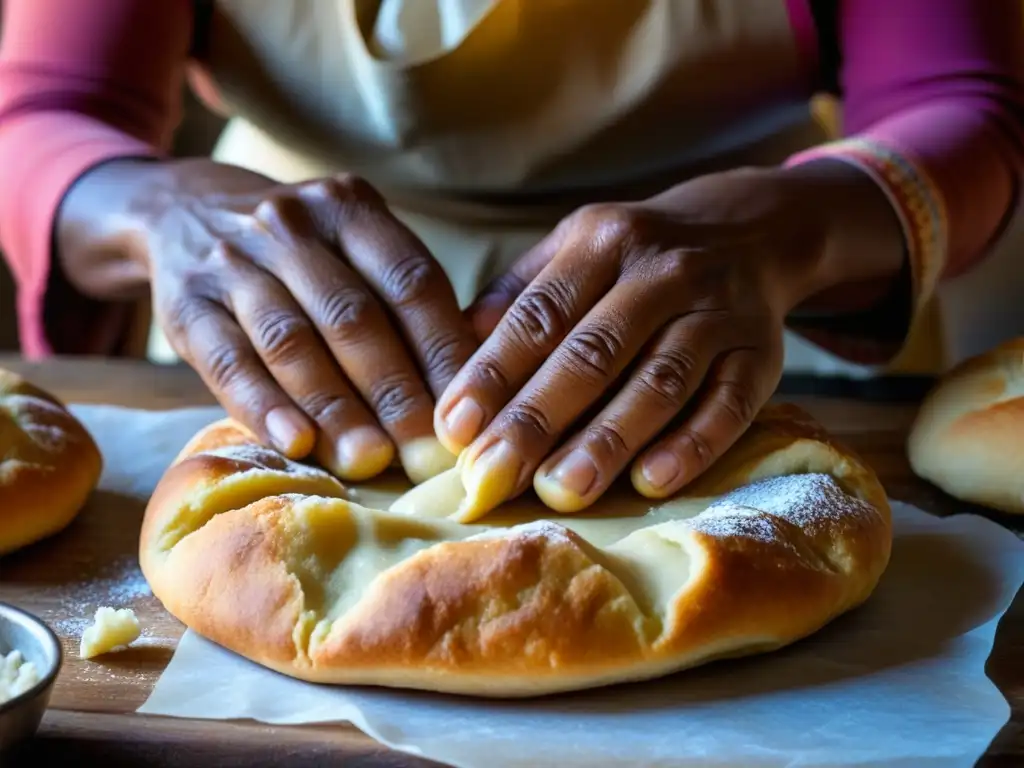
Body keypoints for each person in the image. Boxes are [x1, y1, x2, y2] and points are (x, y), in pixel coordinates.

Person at [1, 0, 1022, 512]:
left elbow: (964, 104)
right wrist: (161, 209)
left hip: (750, 296)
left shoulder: (777, 247)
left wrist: (791, 225)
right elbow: (51, 111)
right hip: (280, 316)